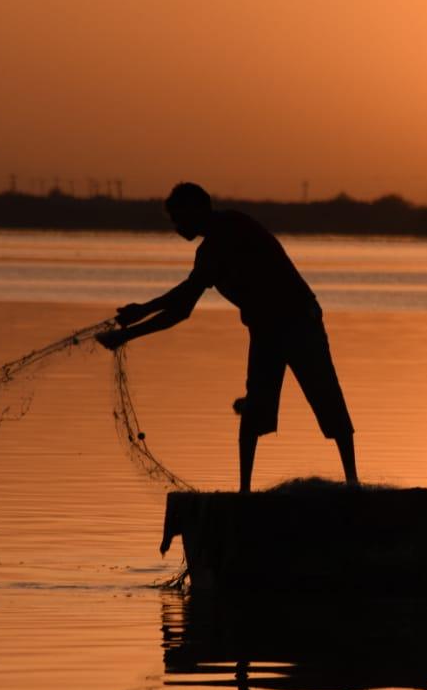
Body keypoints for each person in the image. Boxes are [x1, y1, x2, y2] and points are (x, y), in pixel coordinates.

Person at [98, 182, 358, 492]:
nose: (177, 226)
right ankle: (244, 491)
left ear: (199, 209)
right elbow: (183, 306)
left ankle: (352, 483)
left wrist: (137, 321)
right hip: (265, 330)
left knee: (325, 397)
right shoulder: (208, 251)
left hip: (299, 322)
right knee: (254, 410)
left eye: (179, 218)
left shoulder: (234, 227)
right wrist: (136, 322)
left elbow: (182, 302)